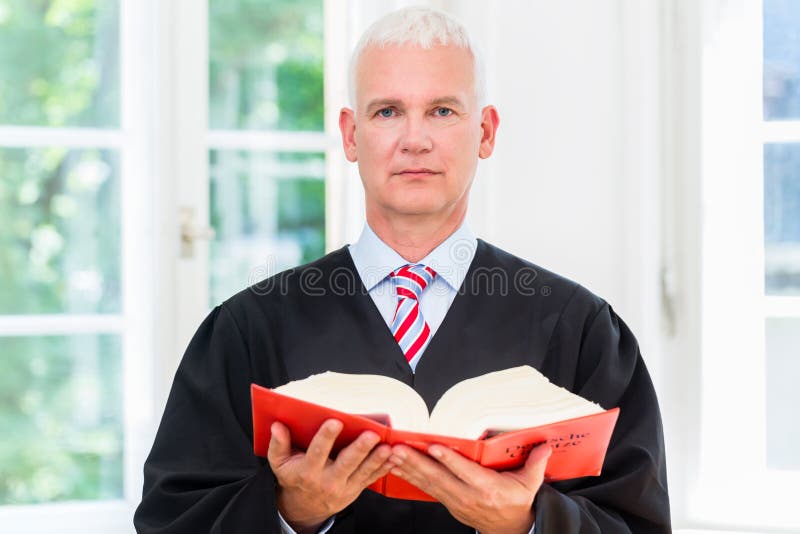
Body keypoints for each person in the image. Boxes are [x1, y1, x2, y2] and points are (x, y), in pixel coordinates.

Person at [134, 6, 671, 533]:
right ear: (350, 134)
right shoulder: (250, 330)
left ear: (485, 131)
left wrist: (523, 524)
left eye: (442, 111)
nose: (415, 140)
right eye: (387, 111)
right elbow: (173, 519)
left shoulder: (578, 329)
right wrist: (291, 512)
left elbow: (635, 522)